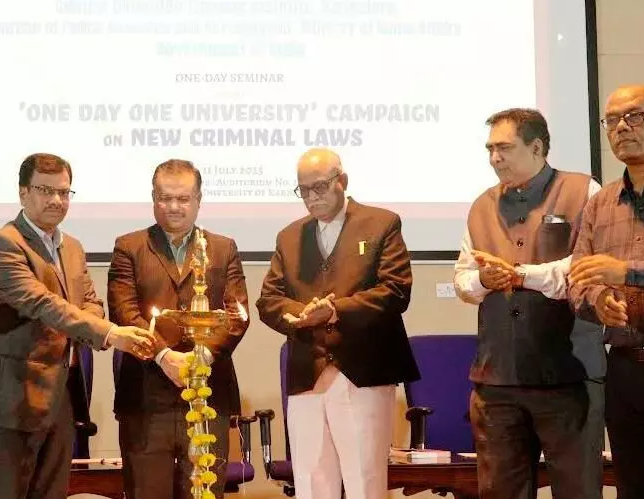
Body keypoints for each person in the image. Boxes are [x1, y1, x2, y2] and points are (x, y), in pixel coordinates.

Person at [0, 153, 155, 499]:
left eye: (64, 192)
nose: (56, 200)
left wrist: (91, 321)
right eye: (45, 190)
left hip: (64, 391)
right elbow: (42, 304)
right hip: (17, 392)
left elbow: (91, 302)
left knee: (53, 492)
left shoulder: (72, 247)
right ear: (23, 193)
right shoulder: (2, 243)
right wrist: (110, 333)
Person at [453, 108, 603, 499]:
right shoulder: (481, 204)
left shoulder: (583, 190)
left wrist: (520, 275)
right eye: (489, 149)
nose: (494, 158)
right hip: (496, 381)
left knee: (577, 490)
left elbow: (585, 267)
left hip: (568, 376)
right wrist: (484, 280)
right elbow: (463, 279)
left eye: (504, 148)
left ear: (537, 147)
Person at [256, 148, 419, 499]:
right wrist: (302, 313)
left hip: (363, 371)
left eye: (319, 187)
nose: (311, 197)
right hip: (308, 373)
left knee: (364, 483)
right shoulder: (289, 236)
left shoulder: (382, 223)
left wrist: (334, 310)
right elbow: (268, 300)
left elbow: (395, 291)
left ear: (342, 181)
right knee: (312, 483)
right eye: (303, 190)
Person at [107, 159, 249, 499]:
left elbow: (237, 315)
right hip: (145, 397)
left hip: (208, 391)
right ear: (153, 198)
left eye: (183, 199)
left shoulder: (223, 248)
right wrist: (165, 357)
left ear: (198, 200)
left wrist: (201, 358)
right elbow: (124, 312)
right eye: (165, 197)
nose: (173, 206)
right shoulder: (129, 246)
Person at [569, 84, 644, 498]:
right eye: (613, 119)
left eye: (634, 116)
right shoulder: (601, 203)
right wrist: (598, 301)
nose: (621, 127)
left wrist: (627, 272)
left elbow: (620, 271)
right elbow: (578, 278)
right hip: (625, 370)